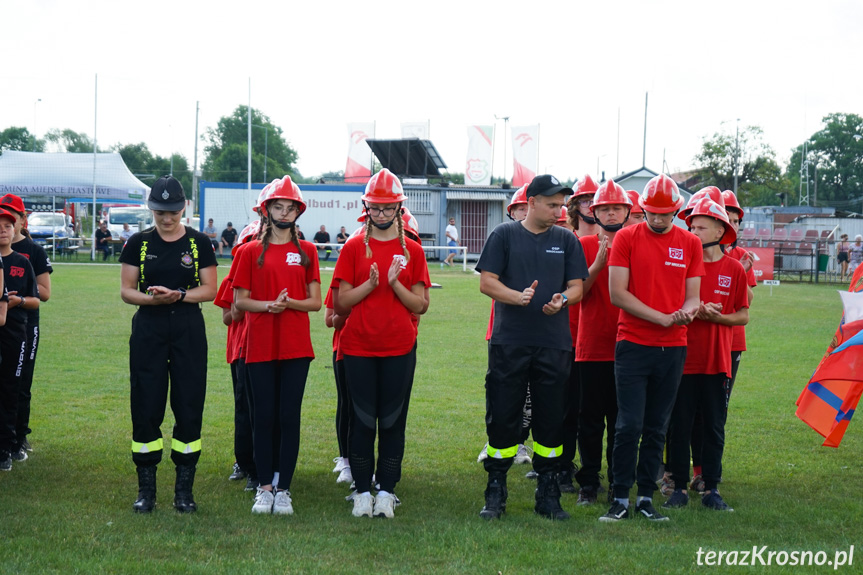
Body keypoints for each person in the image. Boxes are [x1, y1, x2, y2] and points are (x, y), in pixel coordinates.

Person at [476, 174, 588, 521]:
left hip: (553, 344)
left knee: (552, 417)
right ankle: (496, 489)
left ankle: (549, 492)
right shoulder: (503, 234)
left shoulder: (567, 240)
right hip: (510, 341)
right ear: (533, 201)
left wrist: (563, 299)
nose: (559, 211)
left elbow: (577, 287)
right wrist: (517, 297)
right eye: (553, 204)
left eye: (561, 205)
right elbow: (487, 282)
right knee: (504, 414)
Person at [600, 174, 704, 523]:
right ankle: (619, 498)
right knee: (628, 425)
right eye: (652, 214)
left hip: (673, 347)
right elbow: (618, 293)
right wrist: (659, 317)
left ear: (677, 210)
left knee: (657, 426)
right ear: (642, 209)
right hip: (633, 343)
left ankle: (645, 497)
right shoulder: (627, 238)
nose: (658, 220)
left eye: (665, 214)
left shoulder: (689, 243)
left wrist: (686, 313)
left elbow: (693, 296)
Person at [333, 168, 430, 519]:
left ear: (400, 209)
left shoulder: (413, 251)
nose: (382, 214)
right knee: (361, 422)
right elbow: (340, 303)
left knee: (392, 422)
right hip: (358, 347)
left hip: (399, 348)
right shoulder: (354, 247)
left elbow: (420, 305)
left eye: (389, 208)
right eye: (376, 208)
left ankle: (386, 491)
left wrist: (394, 283)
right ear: (366, 207)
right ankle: (361, 491)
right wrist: (370, 287)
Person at [119, 175, 218, 513]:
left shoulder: (199, 242)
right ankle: (146, 490)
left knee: (189, 403)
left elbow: (211, 290)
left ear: (183, 208)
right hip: (149, 326)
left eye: (173, 211)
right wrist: (151, 301)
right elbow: (126, 290)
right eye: (160, 212)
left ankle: (183, 490)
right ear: (151, 209)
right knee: (146, 403)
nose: (166, 218)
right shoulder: (138, 242)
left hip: (188, 325)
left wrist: (179, 295)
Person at [233, 176, 321, 516]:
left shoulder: (308, 251)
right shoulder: (249, 251)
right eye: (278, 206)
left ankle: (284, 488)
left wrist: (289, 305)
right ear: (266, 210)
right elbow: (240, 302)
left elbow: (315, 302)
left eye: (290, 207)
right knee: (263, 417)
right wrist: (269, 305)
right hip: (259, 345)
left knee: (288, 416)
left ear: (298, 212)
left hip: (296, 346)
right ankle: (264, 487)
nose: (284, 213)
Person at [663, 198, 748, 513]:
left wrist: (717, 318)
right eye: (691, 226)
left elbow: (742, 316)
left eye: (700, 226)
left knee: (713, 426)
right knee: (679, 426)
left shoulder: (734, 268)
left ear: (719, 229)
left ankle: (711, 488)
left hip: (716, 363)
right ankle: (679, 488)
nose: (693, 231)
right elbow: (668, 303)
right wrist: (698, 310)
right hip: (681, 360)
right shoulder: (682, 264)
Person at [573, 180, 632, 505]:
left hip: (629, 346)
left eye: (617, 207)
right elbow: (578, 291)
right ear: (594, 212)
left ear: (626, 211)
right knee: (591, 421)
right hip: (592, 346)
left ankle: (618, 482)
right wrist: (598, 261)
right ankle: (589, 482)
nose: (611, 212)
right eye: (605, 208)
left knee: (623, 421)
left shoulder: (636, 243)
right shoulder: (582, 245)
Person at [477, 186, 534, 468]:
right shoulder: (503, 238)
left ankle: (521, 441)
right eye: (519, 208)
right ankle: (497, 441)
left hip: (537, 332)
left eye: (528, 206)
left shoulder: (545, 240)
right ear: (511, 212)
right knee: (501, 389)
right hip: (502, 330)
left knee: (531, 395)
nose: (525, 212)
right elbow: (487, 281)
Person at [1, 193, 52, 460]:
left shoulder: (33, 252)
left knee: (20, 382)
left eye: (11, 216)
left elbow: (43, 293)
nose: (5, 225)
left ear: (22, 219)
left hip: (24, 325)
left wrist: (17, 299)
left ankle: (19, 438)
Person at [0, 208, 39, 472]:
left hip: (15, 334)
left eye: (7, 225)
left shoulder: (22, 262)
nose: (3, 230)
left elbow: (37, 300)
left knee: (10, 389)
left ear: (16, 230)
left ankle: (7, 446)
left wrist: (18, 301)